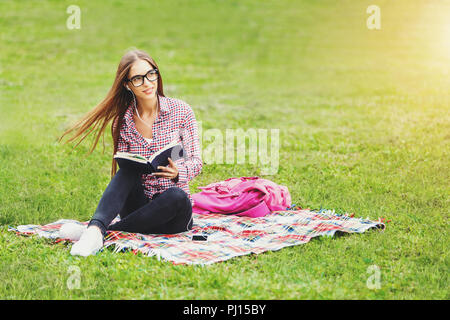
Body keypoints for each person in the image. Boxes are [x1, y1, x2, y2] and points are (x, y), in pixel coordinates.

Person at [58, 49, 203, 256]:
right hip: (138, 208)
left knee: (177, 196)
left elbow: (197, 162)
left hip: (173, 215)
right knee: (126, 171)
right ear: (127, 84)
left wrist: (178, 172)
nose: (147, 82)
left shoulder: (182, 111)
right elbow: (124, 172)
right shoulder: (123, 121)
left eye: (151, 74)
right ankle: (96, 229)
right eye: (138, 78)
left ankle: (96, 231)